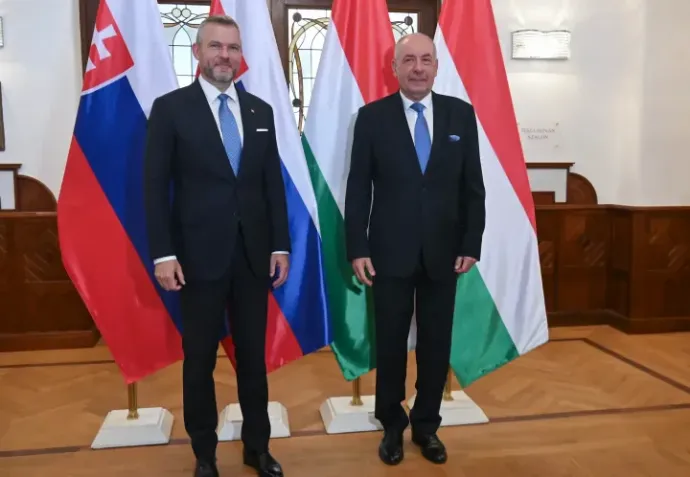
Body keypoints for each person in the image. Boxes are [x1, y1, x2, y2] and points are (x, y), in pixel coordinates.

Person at [144, 15, 289, 477]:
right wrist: (164, 254)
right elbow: (153, 187)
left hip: (252, 258)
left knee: (252, 359)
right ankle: (204, 455)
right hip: (195, 260)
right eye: (215, 47)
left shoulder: (260, 112)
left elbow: (272, 187)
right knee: (199, 361)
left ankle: (257, 448)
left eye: (232, 48)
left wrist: (280, 246)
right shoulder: (170, 109)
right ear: (198, 52)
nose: (224, 55)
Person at [344, 33, 486, 466]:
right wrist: (357, 246)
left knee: (435, 344)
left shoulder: (461, 115)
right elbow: (357, 188)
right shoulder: (371, 118)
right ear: (395, 68)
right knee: (389, 344)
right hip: (388, 253)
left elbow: (473, 189)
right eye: (409, 60)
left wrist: (471, 242)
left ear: (436, 66)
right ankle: (391, 425)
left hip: (446, 254)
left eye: (426, 59)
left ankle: (427, 426)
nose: (418, 67)